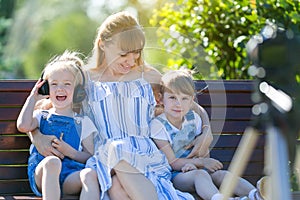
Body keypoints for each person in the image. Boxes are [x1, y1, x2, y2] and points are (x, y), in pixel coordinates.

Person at [27, 11, 212, 199]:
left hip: (143, 155)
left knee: (117, 184)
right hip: (107, 158)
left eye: (136, 53)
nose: (131, 61)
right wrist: (36, 136)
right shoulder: (85, 78)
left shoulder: (148, 76)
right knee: (114, 180)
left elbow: (191, 104)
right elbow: (43, 107)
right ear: (103, 44)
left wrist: (206, 130)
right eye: (124, 54)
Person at [150, 70, 266, 200]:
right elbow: (172, 162)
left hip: (197, 168)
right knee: (200, 175)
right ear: (161, 99)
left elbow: (203, 150)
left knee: (222, 175)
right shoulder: (158, 125)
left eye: (184, 98)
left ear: (191, 101)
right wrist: (198, 163)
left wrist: (199, 163)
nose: (178, 104)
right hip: (175, 176)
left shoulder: (194, 119)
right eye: (172, 97)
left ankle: (256, 195)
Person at [17, 51, 100, 200]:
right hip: (43, 173)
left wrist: (70, 152)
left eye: (67, 84)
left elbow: (90, 157)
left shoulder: (83, 122)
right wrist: (32, 98)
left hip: (69, 175)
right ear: (47, 89)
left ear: (78, 91)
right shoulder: (41, 116)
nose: (60, 89)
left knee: (90, 174)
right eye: (54, 84)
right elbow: (23, 126)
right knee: (53, 162)